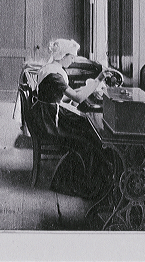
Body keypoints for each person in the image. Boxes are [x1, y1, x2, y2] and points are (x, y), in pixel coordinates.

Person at [32, 38, 112, 199]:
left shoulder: (51, 68)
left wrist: (83, 89)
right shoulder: (55, 75)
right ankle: (82, 184)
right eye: (72, 56)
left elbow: (61, 95)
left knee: (87, 130)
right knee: (87, 138)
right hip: (49, 121)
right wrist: (98, 80)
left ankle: (92, 179)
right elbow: (78, 98)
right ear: (63, 55)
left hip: (47, 114)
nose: (73, 60)